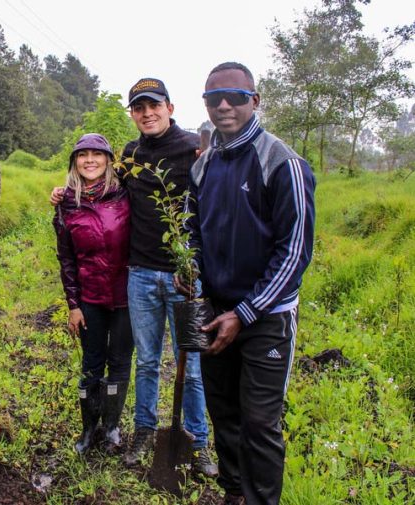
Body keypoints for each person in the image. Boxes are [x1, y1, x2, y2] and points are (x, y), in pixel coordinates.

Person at [51, 80, 217, 475]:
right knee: (146, 362)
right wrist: (64, 193)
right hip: (140, 275)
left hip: (185, 277)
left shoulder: (197, 148)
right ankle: (143, 431)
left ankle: (198, 442)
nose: (147, 113)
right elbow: (101, 185)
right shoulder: (130, 154)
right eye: (139, 107)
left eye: (154, 105)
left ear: (170, 107)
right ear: (132, 114)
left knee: (190, 363)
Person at [181, 62, 315, 505]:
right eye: (213, 97)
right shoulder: (203, 168)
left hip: (266, 318)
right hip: (218, 310)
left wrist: (245, 312)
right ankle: (234, 493)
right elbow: (192, 232)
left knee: (260, 422)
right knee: (224, 411)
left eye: (235, 97)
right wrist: (192, 272)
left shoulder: (282, 163)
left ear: (254, 101)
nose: (223, 105)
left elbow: (294, 252)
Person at [53, 133, 133, 455]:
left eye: (96, 154)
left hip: (128, 296)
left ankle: (111, 427)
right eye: (82, 155)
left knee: (120, 362)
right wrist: (74, 305)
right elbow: (67, 260)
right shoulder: (66, 204)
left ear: (108, 160)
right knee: (91, 364)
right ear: (74, 161)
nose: (89, 160)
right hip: (91, 298)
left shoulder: (126, 193)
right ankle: (89, 429)